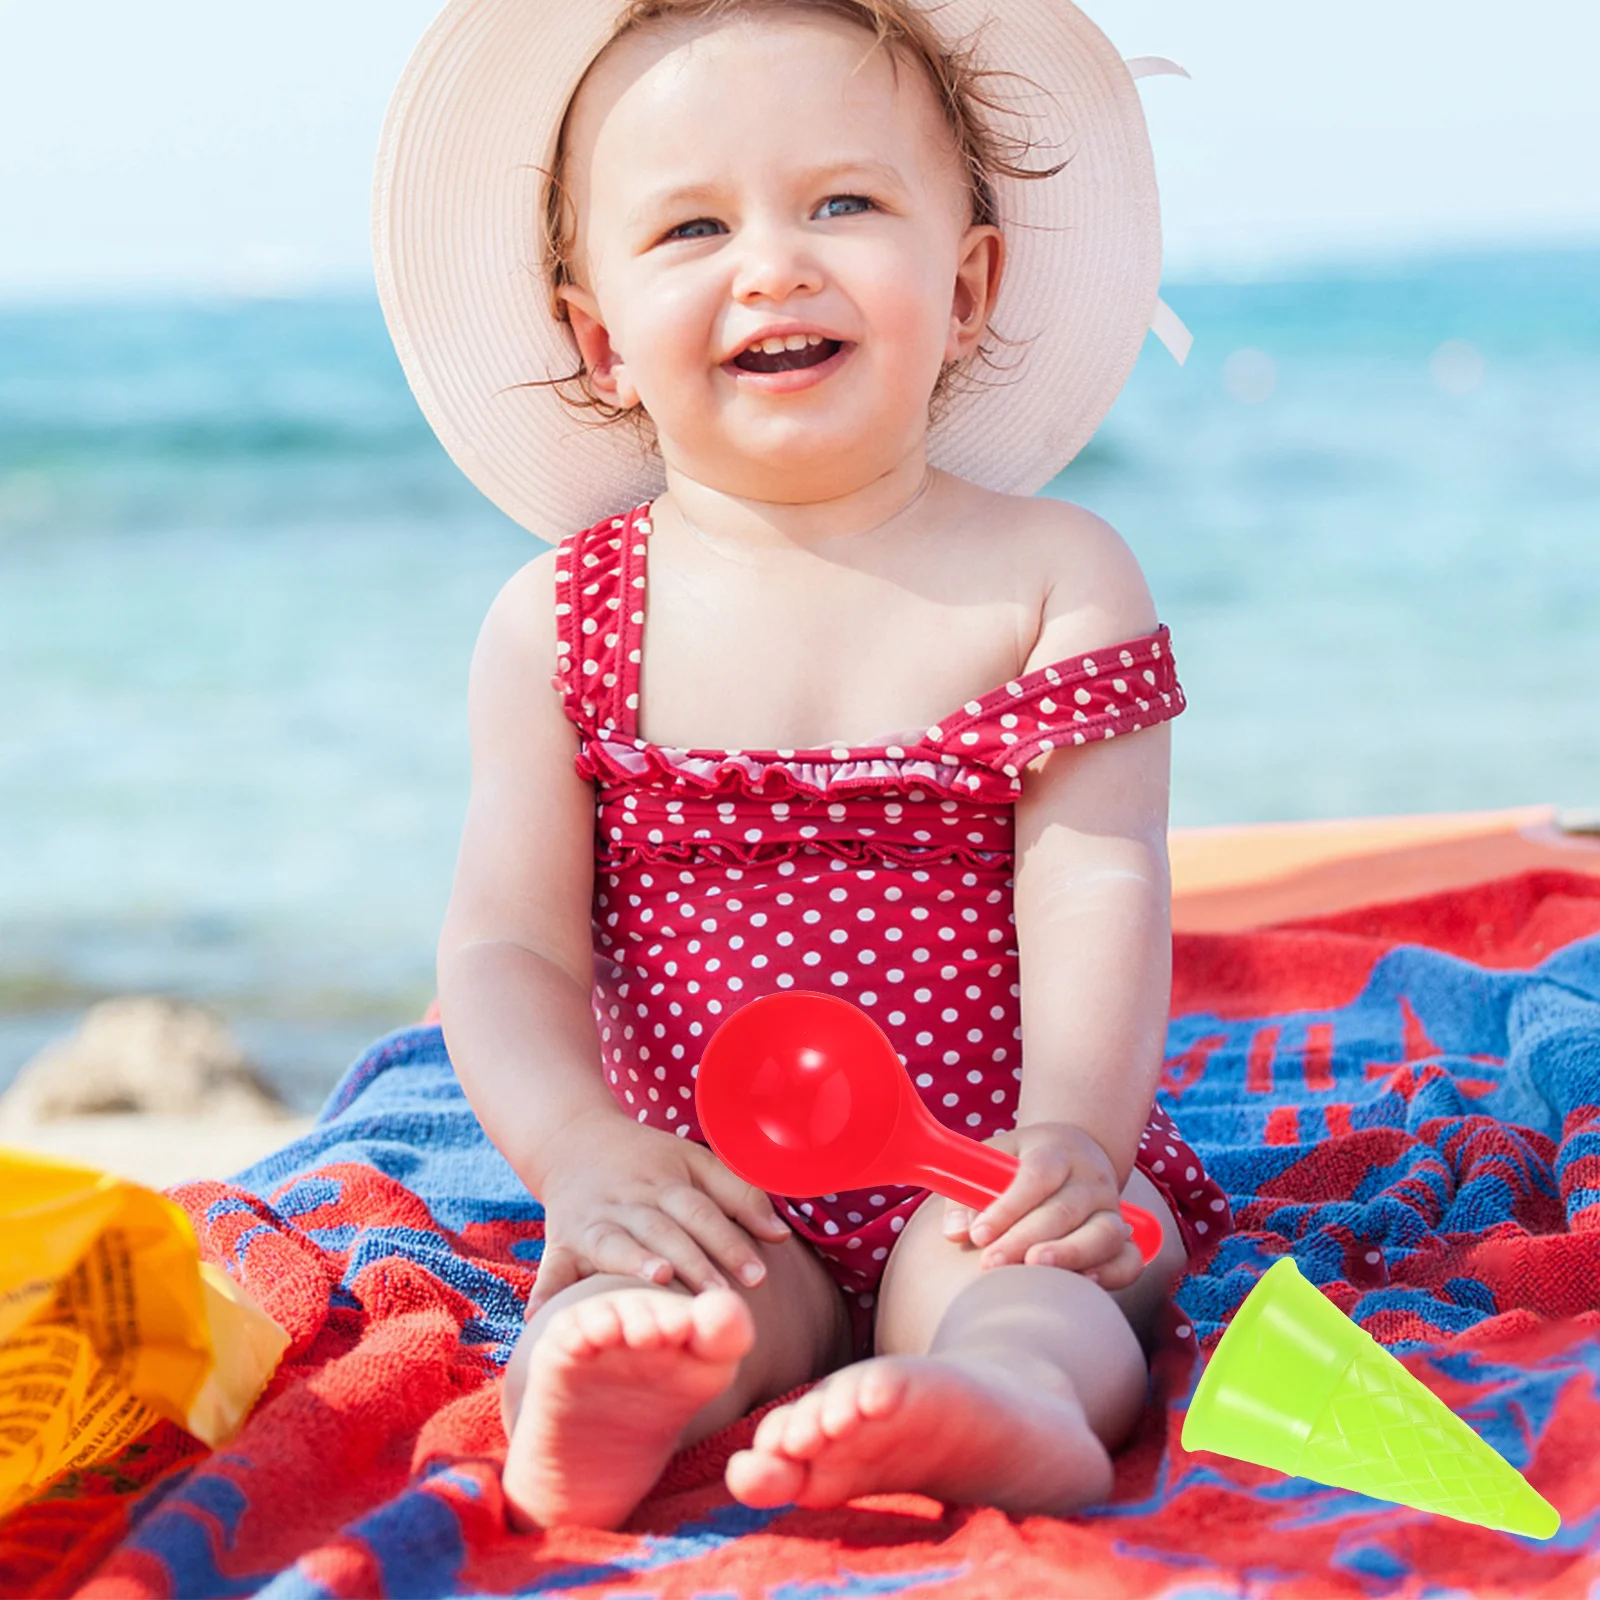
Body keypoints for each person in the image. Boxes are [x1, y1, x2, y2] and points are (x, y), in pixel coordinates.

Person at [375, 0, 1231, 1531]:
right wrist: (584, 1153)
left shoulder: (1054, 575)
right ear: (600, 340)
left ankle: (1007, 1400)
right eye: (694, 225)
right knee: (649, 1300)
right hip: (707, 1181)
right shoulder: (561, 623)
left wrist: (1076, 1142)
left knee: (1037, 1286)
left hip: (987, 1157)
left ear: (966, 285)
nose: (775, 261)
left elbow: (1101, 881)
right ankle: (605, 1401)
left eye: (843, 201)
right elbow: (507, 944)